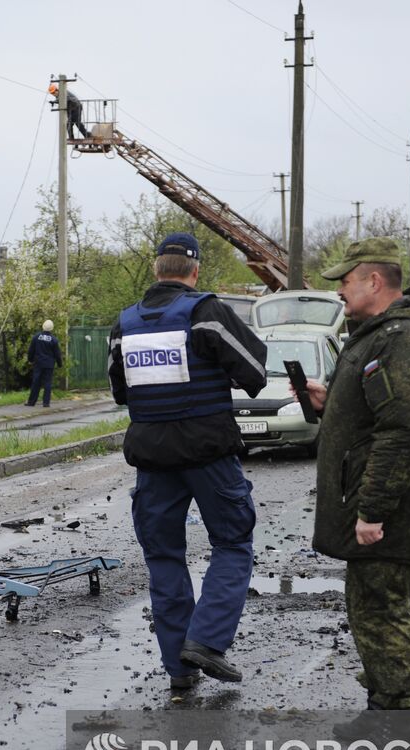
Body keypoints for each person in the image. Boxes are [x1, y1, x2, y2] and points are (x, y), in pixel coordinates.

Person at [300, 237, 410, 739]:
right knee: (370, 606)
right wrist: (331, 402)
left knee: (381, 609)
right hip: (375, 499)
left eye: (345, 280)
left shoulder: (402, 339)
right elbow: (378, 412)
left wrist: (373, 511)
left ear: (373, 281)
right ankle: (384, 702)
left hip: (390, 508)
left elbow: (405, 430)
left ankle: (392, 718)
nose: (339, 290)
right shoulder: (378, 334)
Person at [109, 232, 268, 690]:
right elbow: (255, 371)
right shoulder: (206, 313)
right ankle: (206, 641)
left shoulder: (124, 325)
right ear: (194, 272)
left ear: (156, 270)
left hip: (152, 459)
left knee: (163, 556)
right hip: (208, 454)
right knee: (232, 544)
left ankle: (179, 669)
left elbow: (121, 392)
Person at [24, 319, 63, 407]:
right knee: (47, 383)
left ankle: (31, 402)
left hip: (38, 363)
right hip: (49, 364)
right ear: (52, 328)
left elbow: (31, 350)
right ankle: (46, 403)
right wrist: (60, 364)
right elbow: (57, 354)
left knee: (36, 382)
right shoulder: (54, 340)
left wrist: (30, 359)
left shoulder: (36, 337)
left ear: (43, 326)